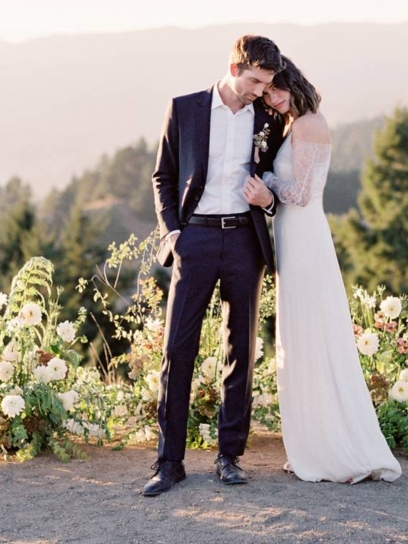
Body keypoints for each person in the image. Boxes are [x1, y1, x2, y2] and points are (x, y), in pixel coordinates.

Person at [143, 35, 287, 496]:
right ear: (233, 66)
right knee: (178, 347)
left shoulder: (269, 116)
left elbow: (283, 176)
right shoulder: (184, 107)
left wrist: (269, 198)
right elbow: (162, 175)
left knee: (240, 348)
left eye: (266, 84)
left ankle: (230, 455)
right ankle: (169, 462)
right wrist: (173, 232)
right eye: (253, 80)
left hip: (245, 239)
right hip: (196, 237)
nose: (259, 91)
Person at [261, 57, 401, 483]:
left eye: (277, 89)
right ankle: (311, 440)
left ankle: (328, 448)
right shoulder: (295, 123)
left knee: (311, 333)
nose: (272, 97)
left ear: (293, 81)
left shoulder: (308, 125)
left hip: (304, 236)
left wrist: (265, 181)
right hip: (294, 235)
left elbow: (300, 194)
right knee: (301, 335)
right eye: (266, 93)